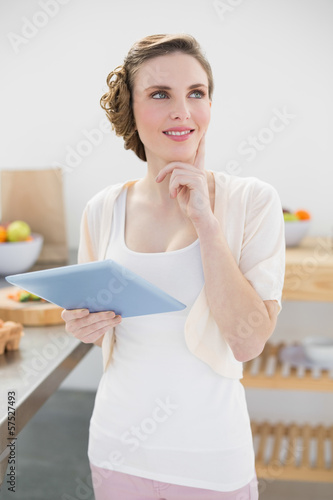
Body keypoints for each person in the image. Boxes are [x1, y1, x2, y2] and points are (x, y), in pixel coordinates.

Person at [61, 33, 285, 500]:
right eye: (160, 94)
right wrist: (83, 323)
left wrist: (205, 222)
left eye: (196, 93)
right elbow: (96, 327)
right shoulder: (103, 208)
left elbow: (247, 342)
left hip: (211, 458)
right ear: (131, 109)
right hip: (116, 449)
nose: (182, 110)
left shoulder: (252, 201)